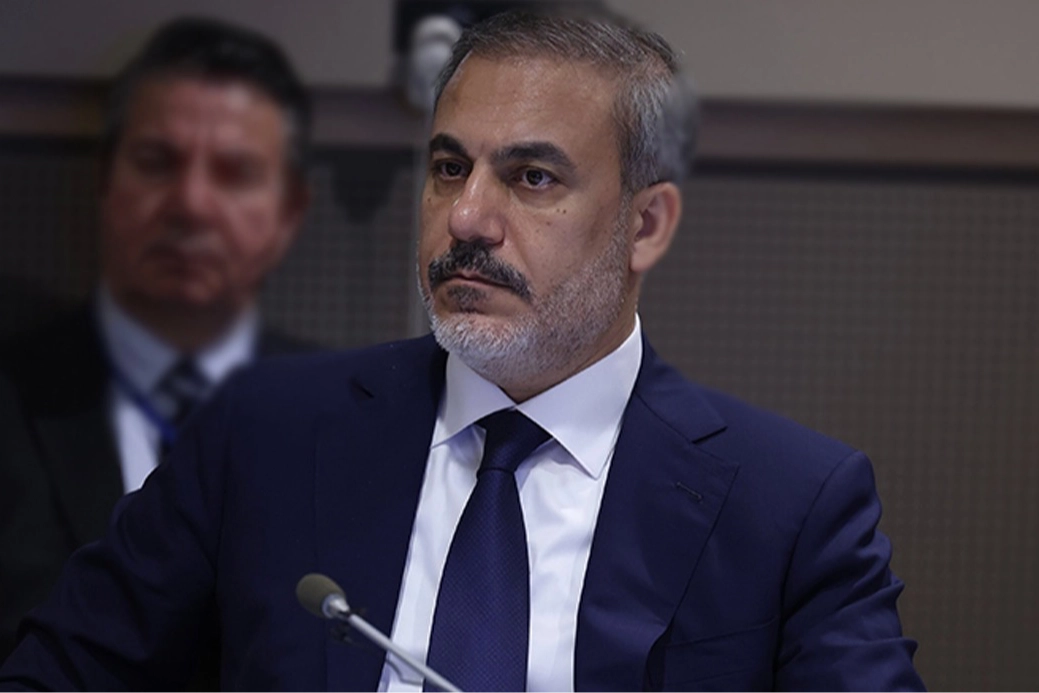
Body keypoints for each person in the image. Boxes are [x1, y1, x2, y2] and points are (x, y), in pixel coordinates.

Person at [0, 9, 926, 691]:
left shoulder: (789, 503)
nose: (468, 217)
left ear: (645, 225)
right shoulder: (263, 432)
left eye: (531, 176)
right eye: (449, 168)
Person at [0, 17, 312, 666]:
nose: (190, 203)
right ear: (104, 181)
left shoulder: (348, 420)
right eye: (156, 163)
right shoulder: (12, 396)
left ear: (289, 213)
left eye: (234, 172)